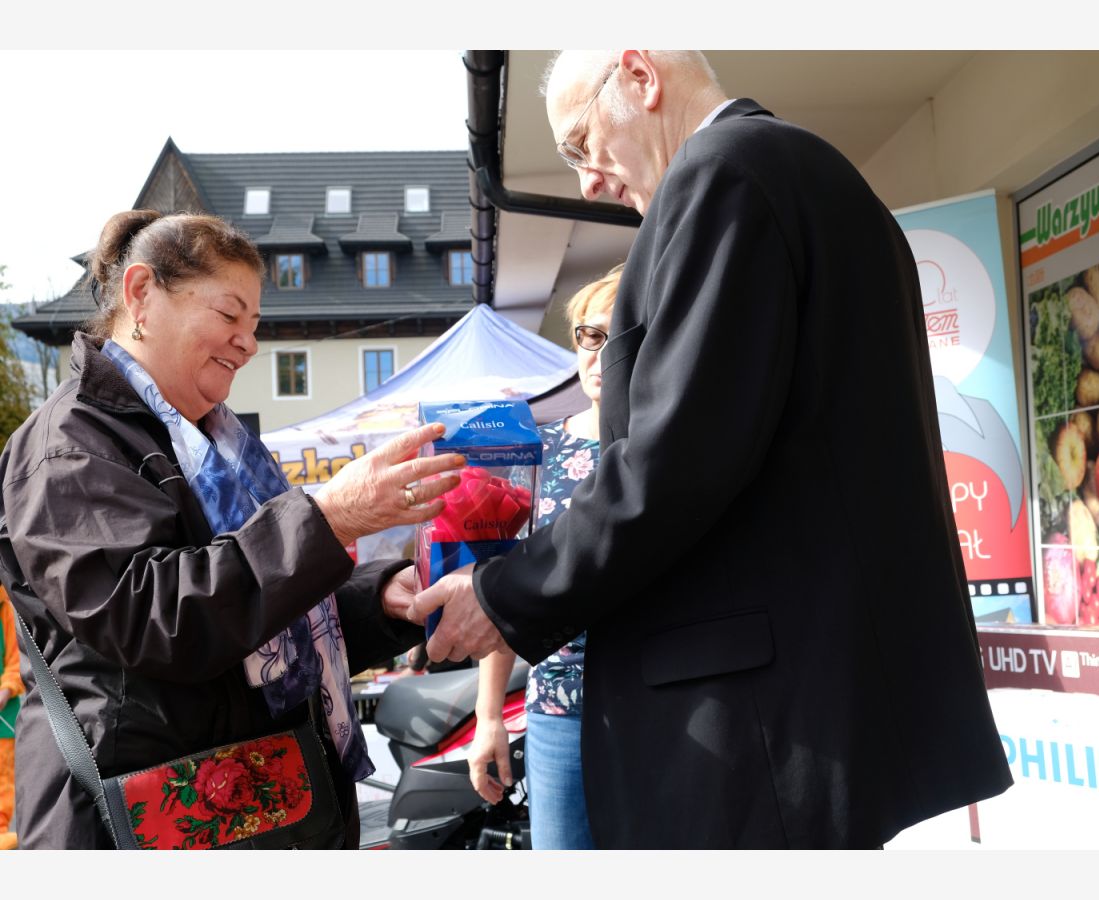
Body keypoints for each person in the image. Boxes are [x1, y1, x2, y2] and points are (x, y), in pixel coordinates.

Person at [405, 51, 1014, 849]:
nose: (587, 182)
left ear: (640, 76)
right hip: (817, 700)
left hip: (756, 728)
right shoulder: (822, 182)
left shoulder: (723, 174)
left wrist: (505, 593)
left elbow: (673, 460)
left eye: (582, 144)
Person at [0, 210, 464, 849]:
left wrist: (382, 598)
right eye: (228, 315)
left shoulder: (220, 445)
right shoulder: (70, 446)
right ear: (141, 293)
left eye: (255, 325)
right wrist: (328, 518)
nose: (249, 344)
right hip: (132, 823)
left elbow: (267, 624)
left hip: (263, 806)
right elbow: (154, 618)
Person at [467, 265, 619, 850]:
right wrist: (489, 717)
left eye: (620, 334)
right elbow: (504, 588)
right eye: (590, 334)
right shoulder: (539, 449)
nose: (601, 353)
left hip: (663, 702)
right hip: (558, 707)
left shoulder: (668, 448)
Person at [0, 586, 22, 850]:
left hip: (3, 718)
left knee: (2, 782)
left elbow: (17, 664)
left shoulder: (5, 609)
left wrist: (4, 692)